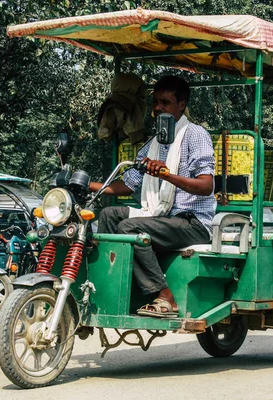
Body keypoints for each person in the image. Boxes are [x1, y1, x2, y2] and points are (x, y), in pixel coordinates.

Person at [90, 75, 216, 318]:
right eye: (156, 102)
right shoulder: (153, 143)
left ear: (181, 105)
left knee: (128, 228)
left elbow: (206, 186)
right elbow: (127, 184)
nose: (158, 108)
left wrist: (167, 175)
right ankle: (114, 287)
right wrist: (88, 185)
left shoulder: (195, 135)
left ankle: (166, 295)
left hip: (193, 222)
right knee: (108, 215)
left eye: (165, 102)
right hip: (162, 217)